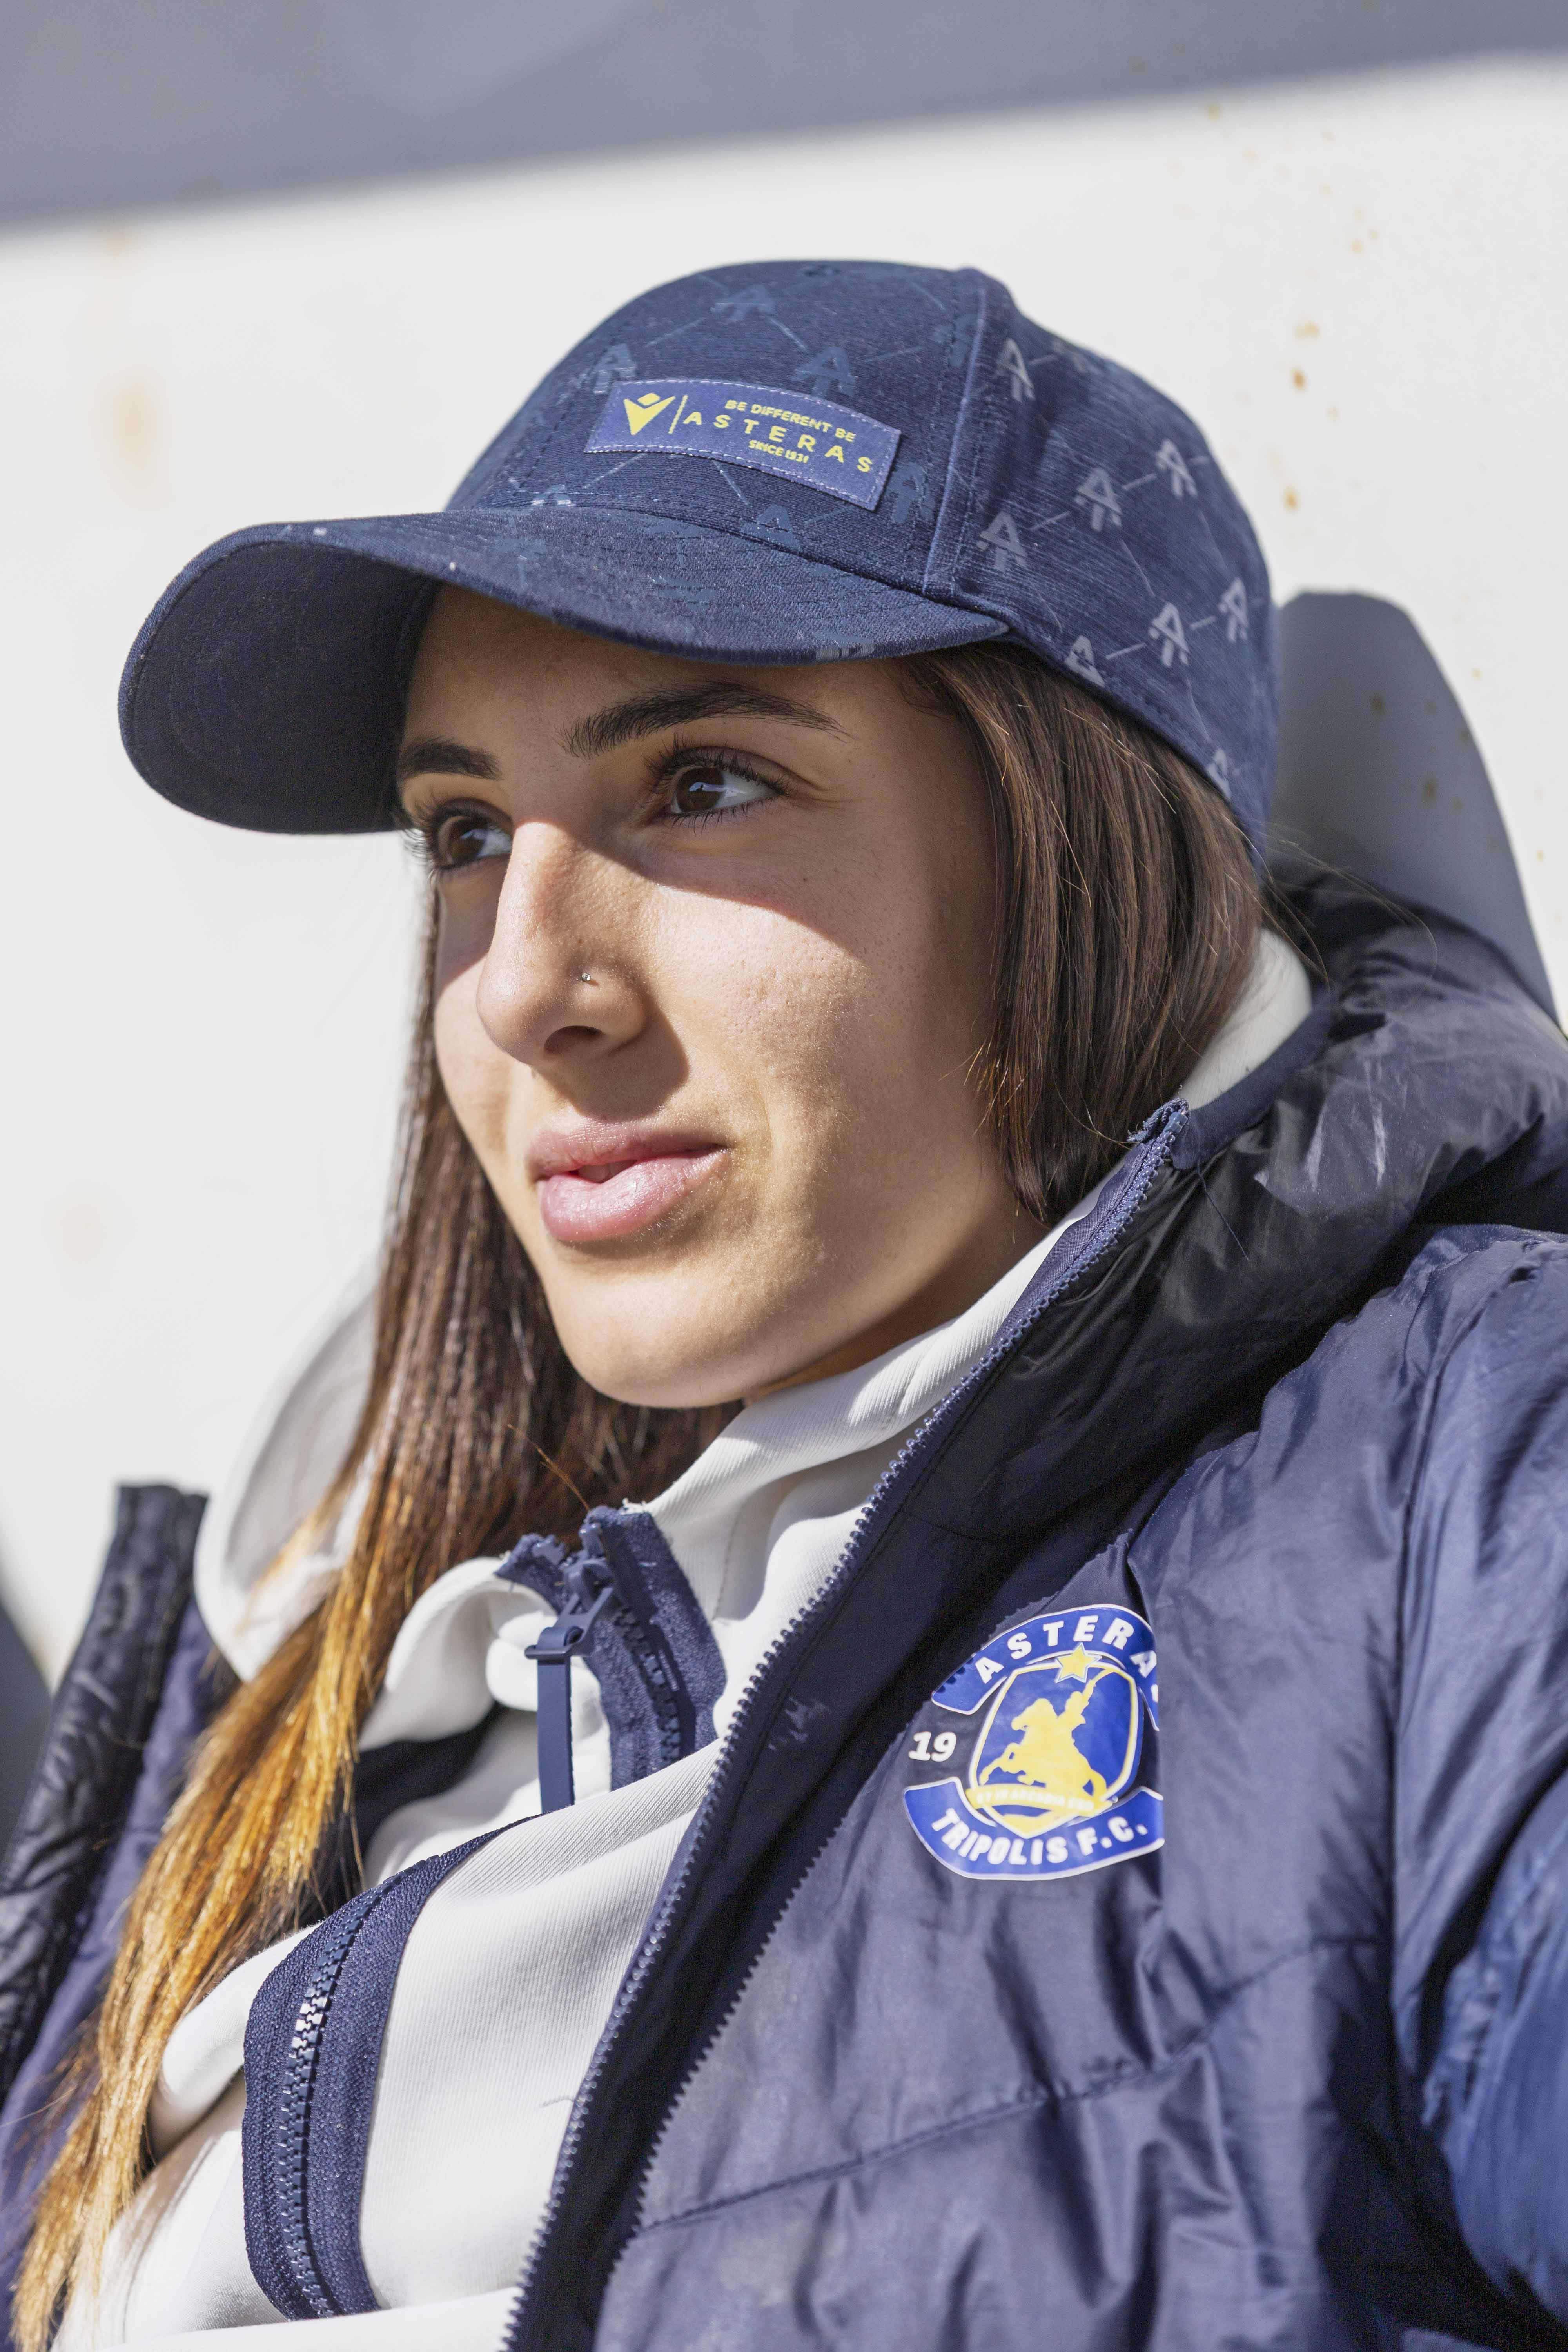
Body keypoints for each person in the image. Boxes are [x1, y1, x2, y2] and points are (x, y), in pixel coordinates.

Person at [1, 259, 1566, 2352]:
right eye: (463, 832)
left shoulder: (1463, 1488)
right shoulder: (287, 1658)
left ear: (1074, 860)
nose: (525, 983)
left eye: (704, 783)